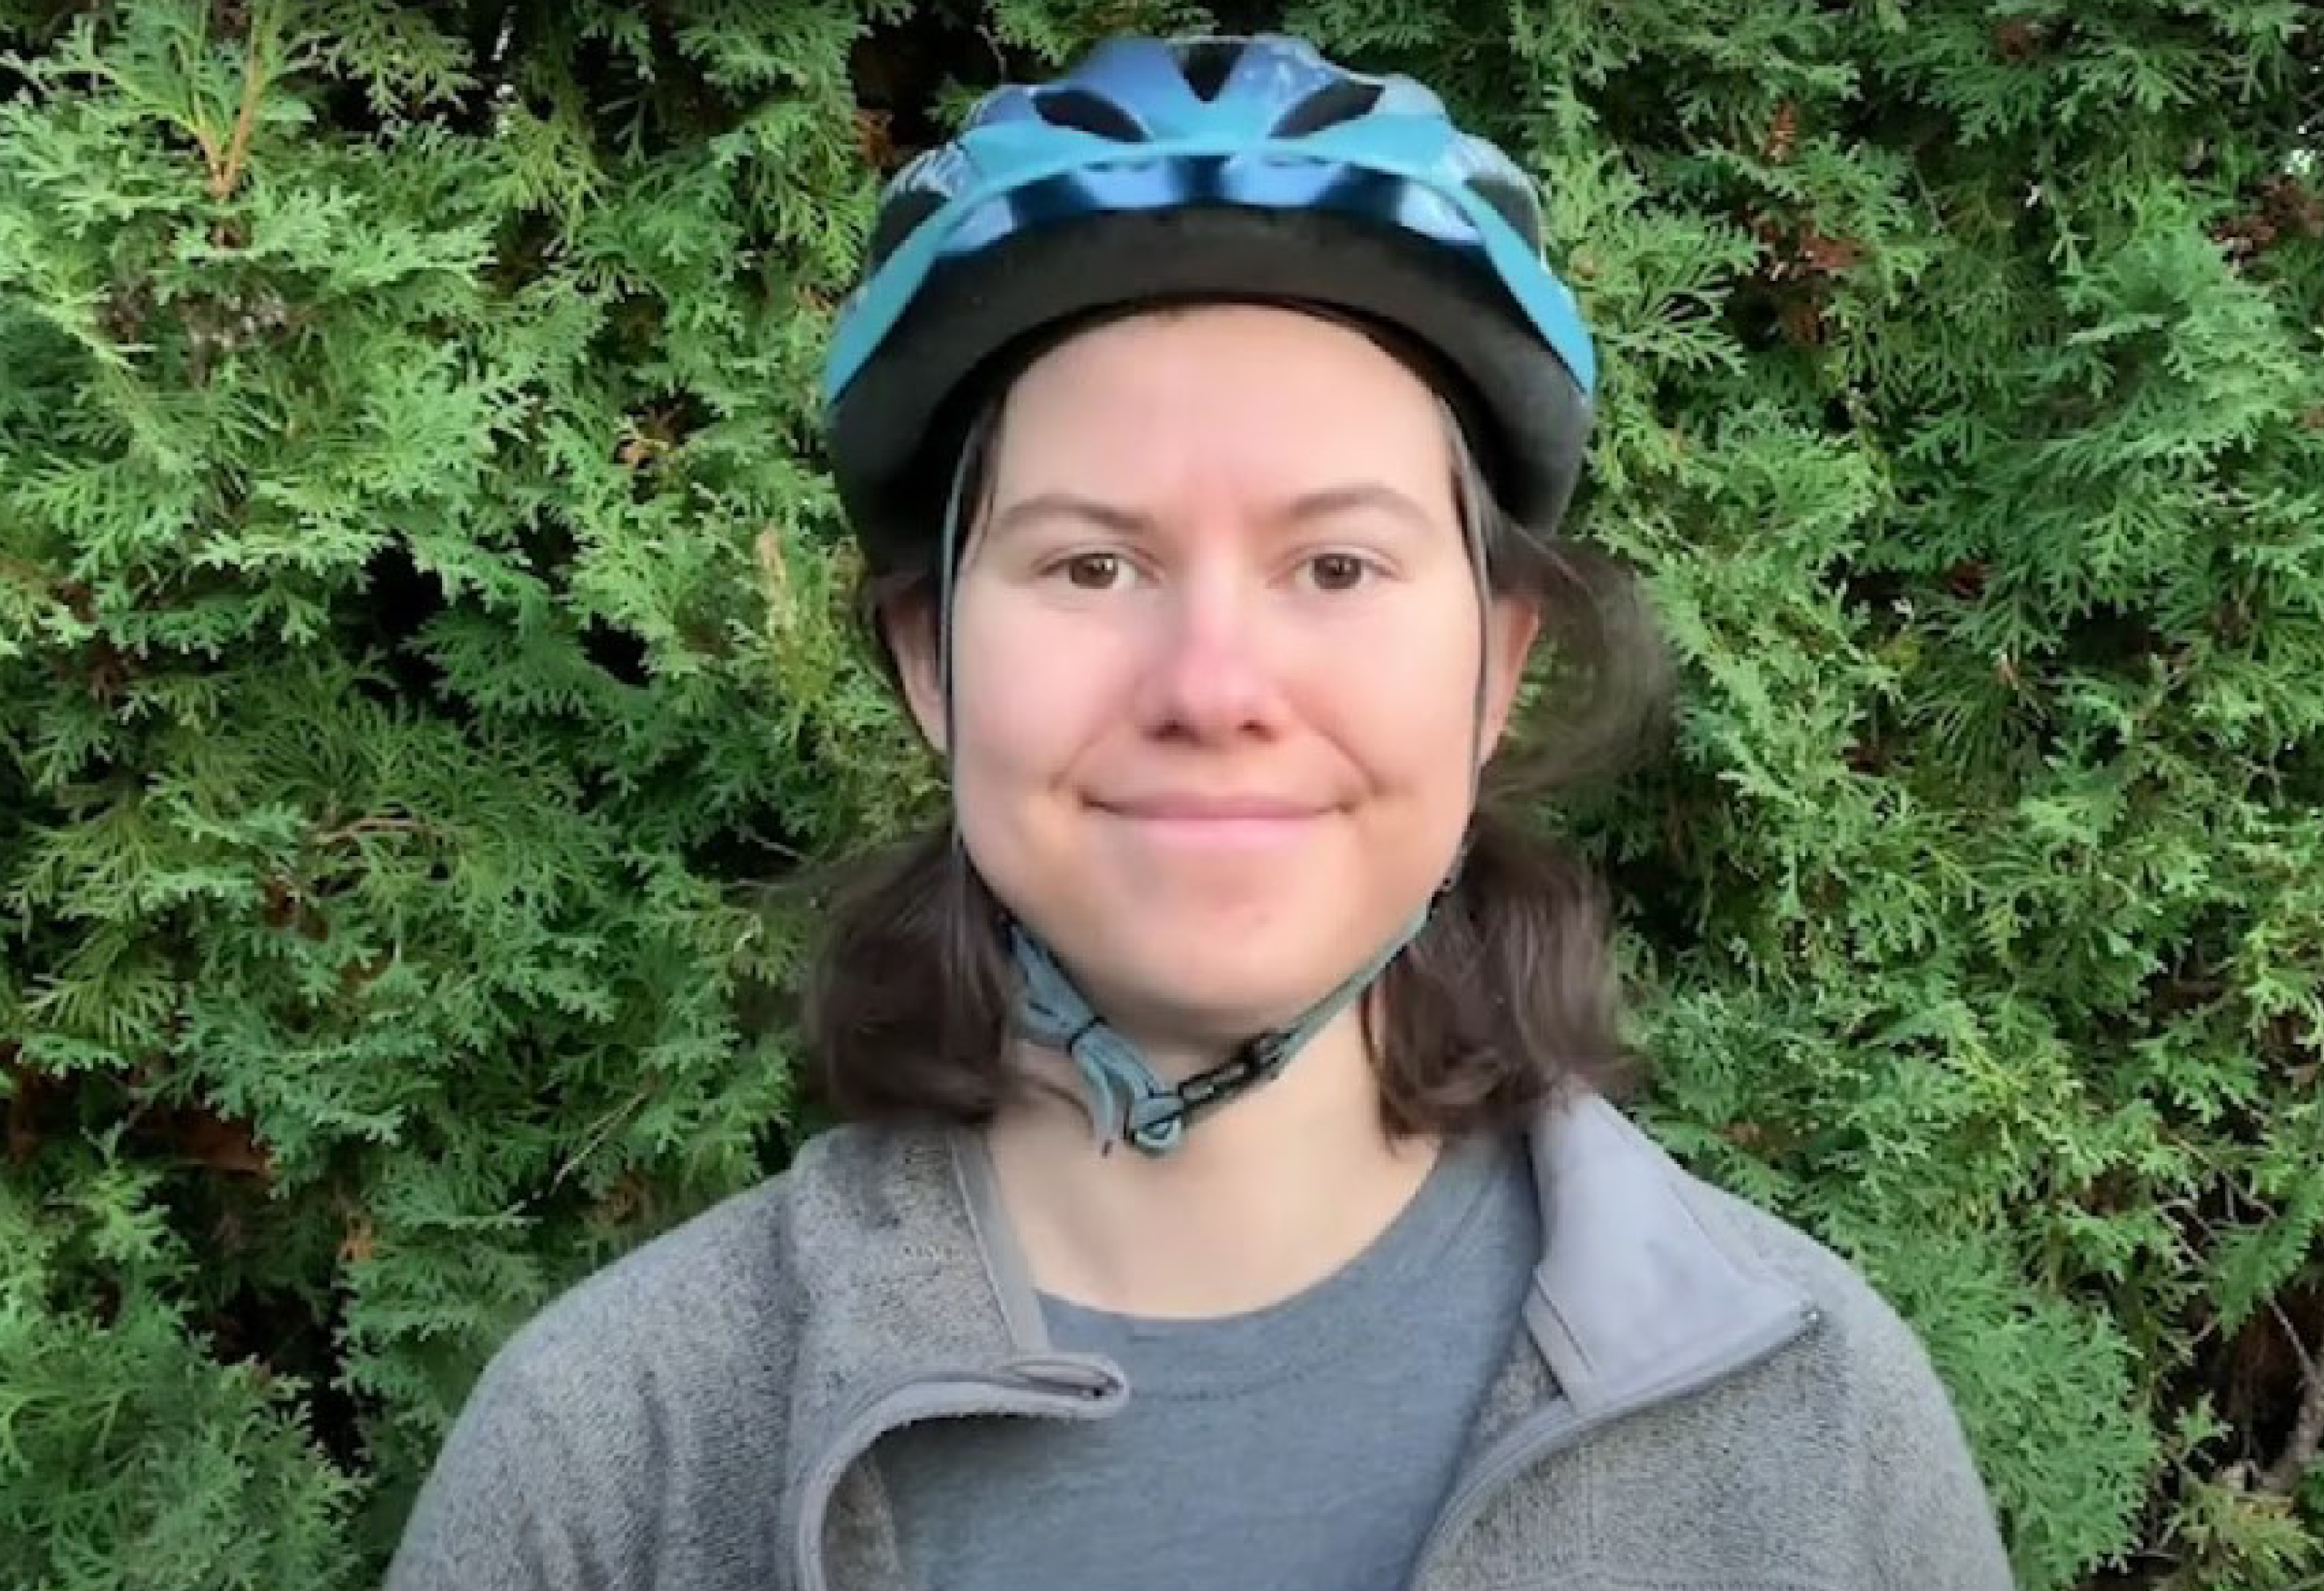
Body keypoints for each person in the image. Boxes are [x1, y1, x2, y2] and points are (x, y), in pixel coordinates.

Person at [385, 32, 2015, 1591]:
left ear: (1494, 666)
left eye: (1336, 566)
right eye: (1093, 564)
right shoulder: (614, 1453)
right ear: (931, 661)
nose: (1214, 683)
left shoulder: (1817, 1424)